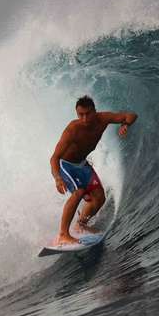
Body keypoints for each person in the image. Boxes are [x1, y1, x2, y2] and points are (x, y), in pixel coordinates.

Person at [50, 95, 137, 246]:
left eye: (88, 114)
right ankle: (63, 235)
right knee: (79, 192)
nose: (84, 119)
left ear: (94, 111)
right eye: (80, 115)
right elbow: (54, 158)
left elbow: (131, 115)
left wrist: (126, 125)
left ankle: (81, 225)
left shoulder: (103, 119)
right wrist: (57, 178)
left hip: (82, 164)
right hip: (67, 165)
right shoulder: (72, 130)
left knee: (99, 198)